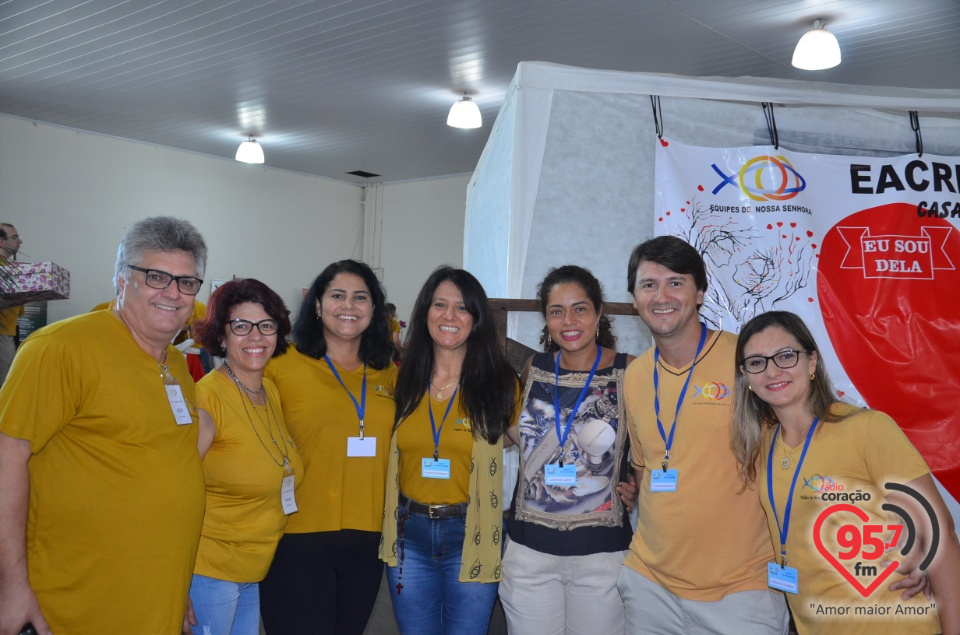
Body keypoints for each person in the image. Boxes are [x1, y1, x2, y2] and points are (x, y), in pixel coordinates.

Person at [0, 216, 208, 635]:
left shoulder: (176, 366)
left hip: (155, 598)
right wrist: (11, 586)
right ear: (120, 278)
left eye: (187, 282)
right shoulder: (58, 348)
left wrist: (174, 582)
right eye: (156, 276)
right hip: (76, 604)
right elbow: (6, 461)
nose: (173, 292)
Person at [731, 310, 960, 635]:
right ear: (746, 378)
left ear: (812, 362)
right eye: (757, 362)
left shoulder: (866, 428)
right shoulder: (763, 446)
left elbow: (942, 536)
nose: (772, 370)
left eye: (785, 356)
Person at [617, 235, 790, 634]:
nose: (662, 296)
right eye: (649, 285)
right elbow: (645, 469)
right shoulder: (635, 375)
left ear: (700, 293)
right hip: (650, 586)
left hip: (741, 592)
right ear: (634, 299)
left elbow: (804, 449)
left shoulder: (747, 361)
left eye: (676, 282)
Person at [259, 259, 398, 635]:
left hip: (369, 538)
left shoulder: (392, 373)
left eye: (360, 297)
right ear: (317, 306)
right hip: (297, 534)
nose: (349, 306)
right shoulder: (279, 365)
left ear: (374, 309)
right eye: (337, 295)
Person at [380, 266, 520, 635]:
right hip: (409, 533)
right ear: (425, 312)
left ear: (476, 320)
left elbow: (537, 448)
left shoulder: (501, 384)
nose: (449, 316)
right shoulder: (399, 381)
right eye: (439, 304)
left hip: (471, 532)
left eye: (462, 307)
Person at [499, 265, 638, 634]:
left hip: (601, 556)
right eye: (556, 311)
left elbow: (654, 445)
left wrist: (640, 483)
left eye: (580, 308)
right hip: (529, 554)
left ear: (598, 313)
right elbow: (515, 434)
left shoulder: (630, 372)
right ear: (546, 319)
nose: (569, 320)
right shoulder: (534, 368)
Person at [185, 279, 303, 635]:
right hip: (210, 570)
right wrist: (174, 581)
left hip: (251, 570)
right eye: (241, 326)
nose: (256, 337)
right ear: (221, 336)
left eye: (266, 326)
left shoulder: (268, 390)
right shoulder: (207, 400)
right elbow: (173, 493)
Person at [0, 224, 24, 384]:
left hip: (8, 333)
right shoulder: (4, 269)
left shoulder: (11, 269)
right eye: (14, 238)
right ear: (1, 241)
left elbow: (20, 311)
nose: (20, 241)